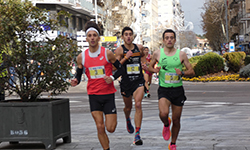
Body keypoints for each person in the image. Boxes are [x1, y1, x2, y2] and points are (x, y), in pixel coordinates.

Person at [71, 21, 125, 150]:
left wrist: (112, 78)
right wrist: (75, 81)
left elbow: (121, 69)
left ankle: (106, 142)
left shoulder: (107, 53)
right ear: (86, 38)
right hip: (93, 95)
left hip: (108, 94)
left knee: (110, 128)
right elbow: (78, 76)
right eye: (89, 35)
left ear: (98, 38)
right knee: (100, 127)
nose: (92, 38)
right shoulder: (81, 57)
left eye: (94, 35)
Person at [148, 29, 195, 150]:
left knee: (176, 119)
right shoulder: (158, 53)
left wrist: (182, 72)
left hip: (177, 90)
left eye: (171, 37)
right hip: (164, 89)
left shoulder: (181, 54)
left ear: (174, 40)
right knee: (163, 113)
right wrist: (155, 70)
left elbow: (192, 71)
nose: (169, 40)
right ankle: (165, 123)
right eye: (167, 38)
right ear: (163, 40)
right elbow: (149, 67)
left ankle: (173, 143)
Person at [115, 27, 145, 145]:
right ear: (122, 37)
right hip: (126, 82)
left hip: (138, 80)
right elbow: (115, 66)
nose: (128, 36)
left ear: (133, 36)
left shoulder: (139, 48)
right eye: (126, 34)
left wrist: (144, 64)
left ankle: (137, 134)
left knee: (138, 104)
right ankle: (127, 117)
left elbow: (143, 57)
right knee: (128, 107)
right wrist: (126, 57)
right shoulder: (119, 50)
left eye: (130, 34)